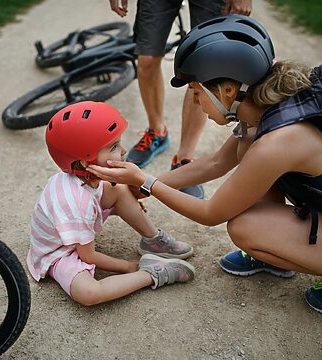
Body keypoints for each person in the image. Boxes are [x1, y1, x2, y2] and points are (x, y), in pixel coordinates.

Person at [86, 15, 322, 313]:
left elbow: (211, 214)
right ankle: (278, 254)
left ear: (227, 90)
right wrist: (141, 184)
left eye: (197, 93)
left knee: (244, 228)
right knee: (245, 148)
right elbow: (214, 163)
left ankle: (285, 250)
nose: (196, 103)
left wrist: (146, 181)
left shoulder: (277, 143)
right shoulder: (265, 113)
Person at [26, 101, 195, 305]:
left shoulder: (87, 177)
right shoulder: (75, 204)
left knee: (119, 189)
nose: (123, 151)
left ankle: (153, 239)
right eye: (114, 147)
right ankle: (151, 272)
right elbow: (87, 256)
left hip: (80, 223)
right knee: (88, 293)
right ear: (86, 162)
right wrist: (127, 266)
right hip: (60, 252)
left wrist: (129, 200)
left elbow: (116, 191)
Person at [109, 0, 252, 199]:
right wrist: (147, 186)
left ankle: (184, 158)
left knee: (204, 65)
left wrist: (146, 185)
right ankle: (157, 132)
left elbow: (212, 210)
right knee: (146, 60)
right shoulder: (249, 123)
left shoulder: (255, 127)